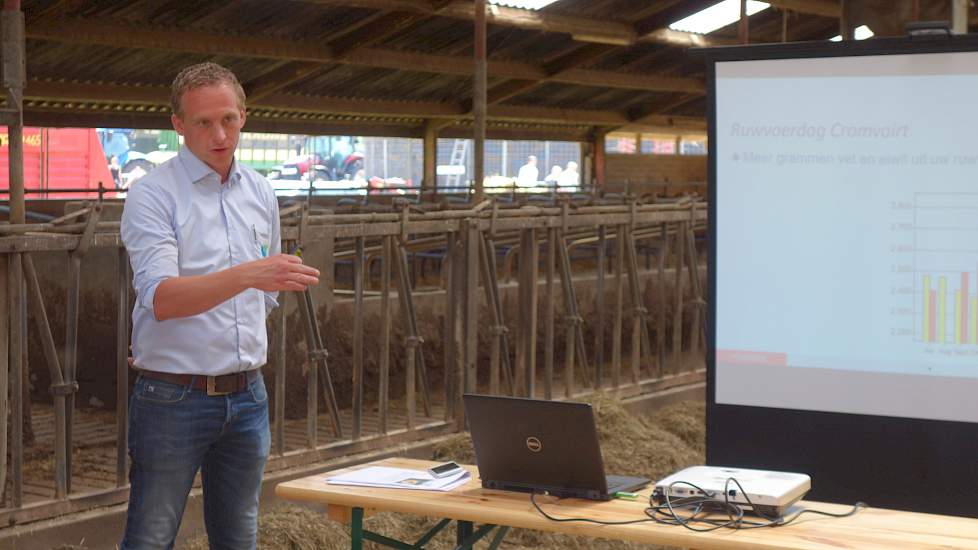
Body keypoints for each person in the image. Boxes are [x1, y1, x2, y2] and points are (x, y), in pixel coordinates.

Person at [119, 62, 320, 550]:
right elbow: (162, 297)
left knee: (239, 534)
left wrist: (257, 283)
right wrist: (251, 272)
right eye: (204, 122)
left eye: (228, 119)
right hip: (173, 396)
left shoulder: (259, 191)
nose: (219, 133)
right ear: (178, 125)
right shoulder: (153, 194)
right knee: (151, 536)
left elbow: (265, 298)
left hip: (247, 395)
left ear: (244, 116)